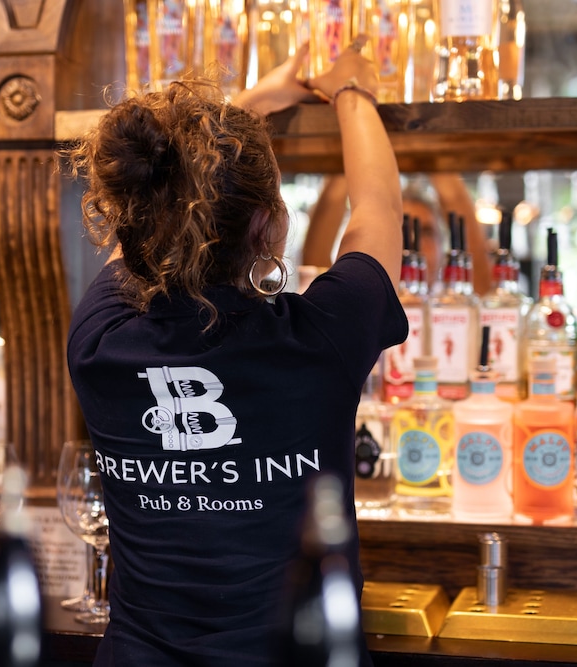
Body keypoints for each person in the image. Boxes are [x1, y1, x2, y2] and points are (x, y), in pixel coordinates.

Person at [65, 38, 406, 667]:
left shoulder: (99, 341)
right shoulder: (320, 339)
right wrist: (351, 89)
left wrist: (258, 100)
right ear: (268, 226)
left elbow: (150, 216)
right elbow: (379, 207)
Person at [301, 172, 491, 295]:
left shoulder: (453, 303)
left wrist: (438, 159)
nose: (413, 242)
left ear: (443, 243)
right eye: (402, 232)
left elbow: (481, 278)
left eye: (425, 232)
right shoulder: (361, 300)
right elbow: (314, 269)